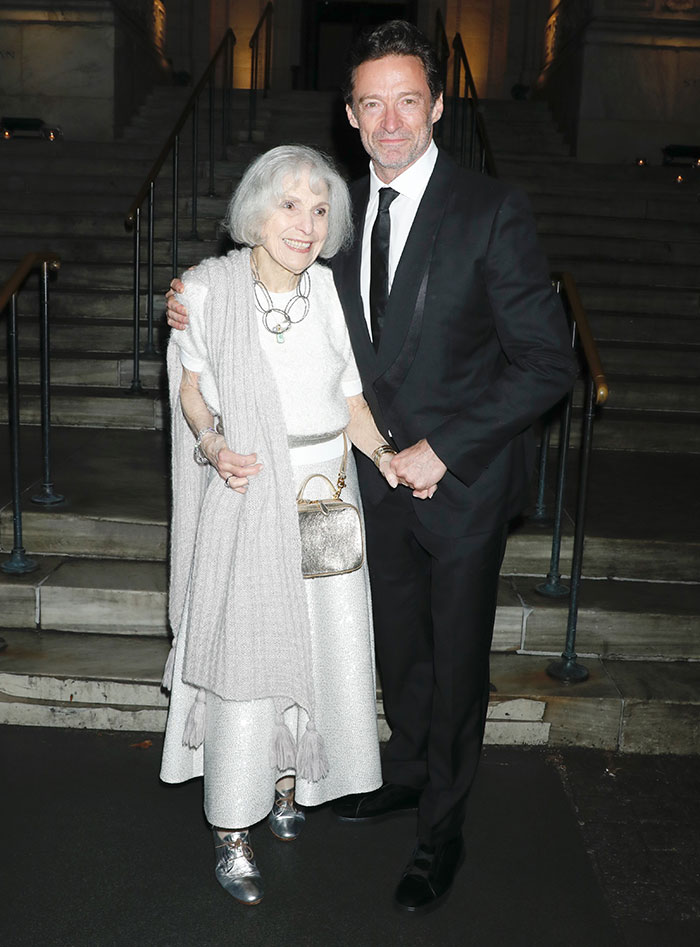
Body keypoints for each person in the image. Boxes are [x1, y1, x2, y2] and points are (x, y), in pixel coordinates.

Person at [167, 22, 577, 914]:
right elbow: (273, 283)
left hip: (460, 483)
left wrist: (445, 448)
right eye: (371, 103)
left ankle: (444, 827)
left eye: (407, 100)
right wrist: (195, 295)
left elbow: (548, 365)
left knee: (458, 658)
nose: (390, 120)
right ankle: (411, 772)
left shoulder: (489, 209)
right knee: (402, 650)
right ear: (351, 115)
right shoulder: (333, 216)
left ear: (436, 106)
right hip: (369, 488)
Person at [160, 144, 403, 907]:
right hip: (249, 489)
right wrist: (211, 443)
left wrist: (389, 461)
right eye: (289, 204)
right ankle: (234, 826)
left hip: (325, 495)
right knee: (248, 658)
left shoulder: (330, 291)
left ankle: (290, 781)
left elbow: (349, 399)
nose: (305, 223)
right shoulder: (203, 289)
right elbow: (190, 386)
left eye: (320, 209)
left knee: (322, 646)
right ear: (255, 211)